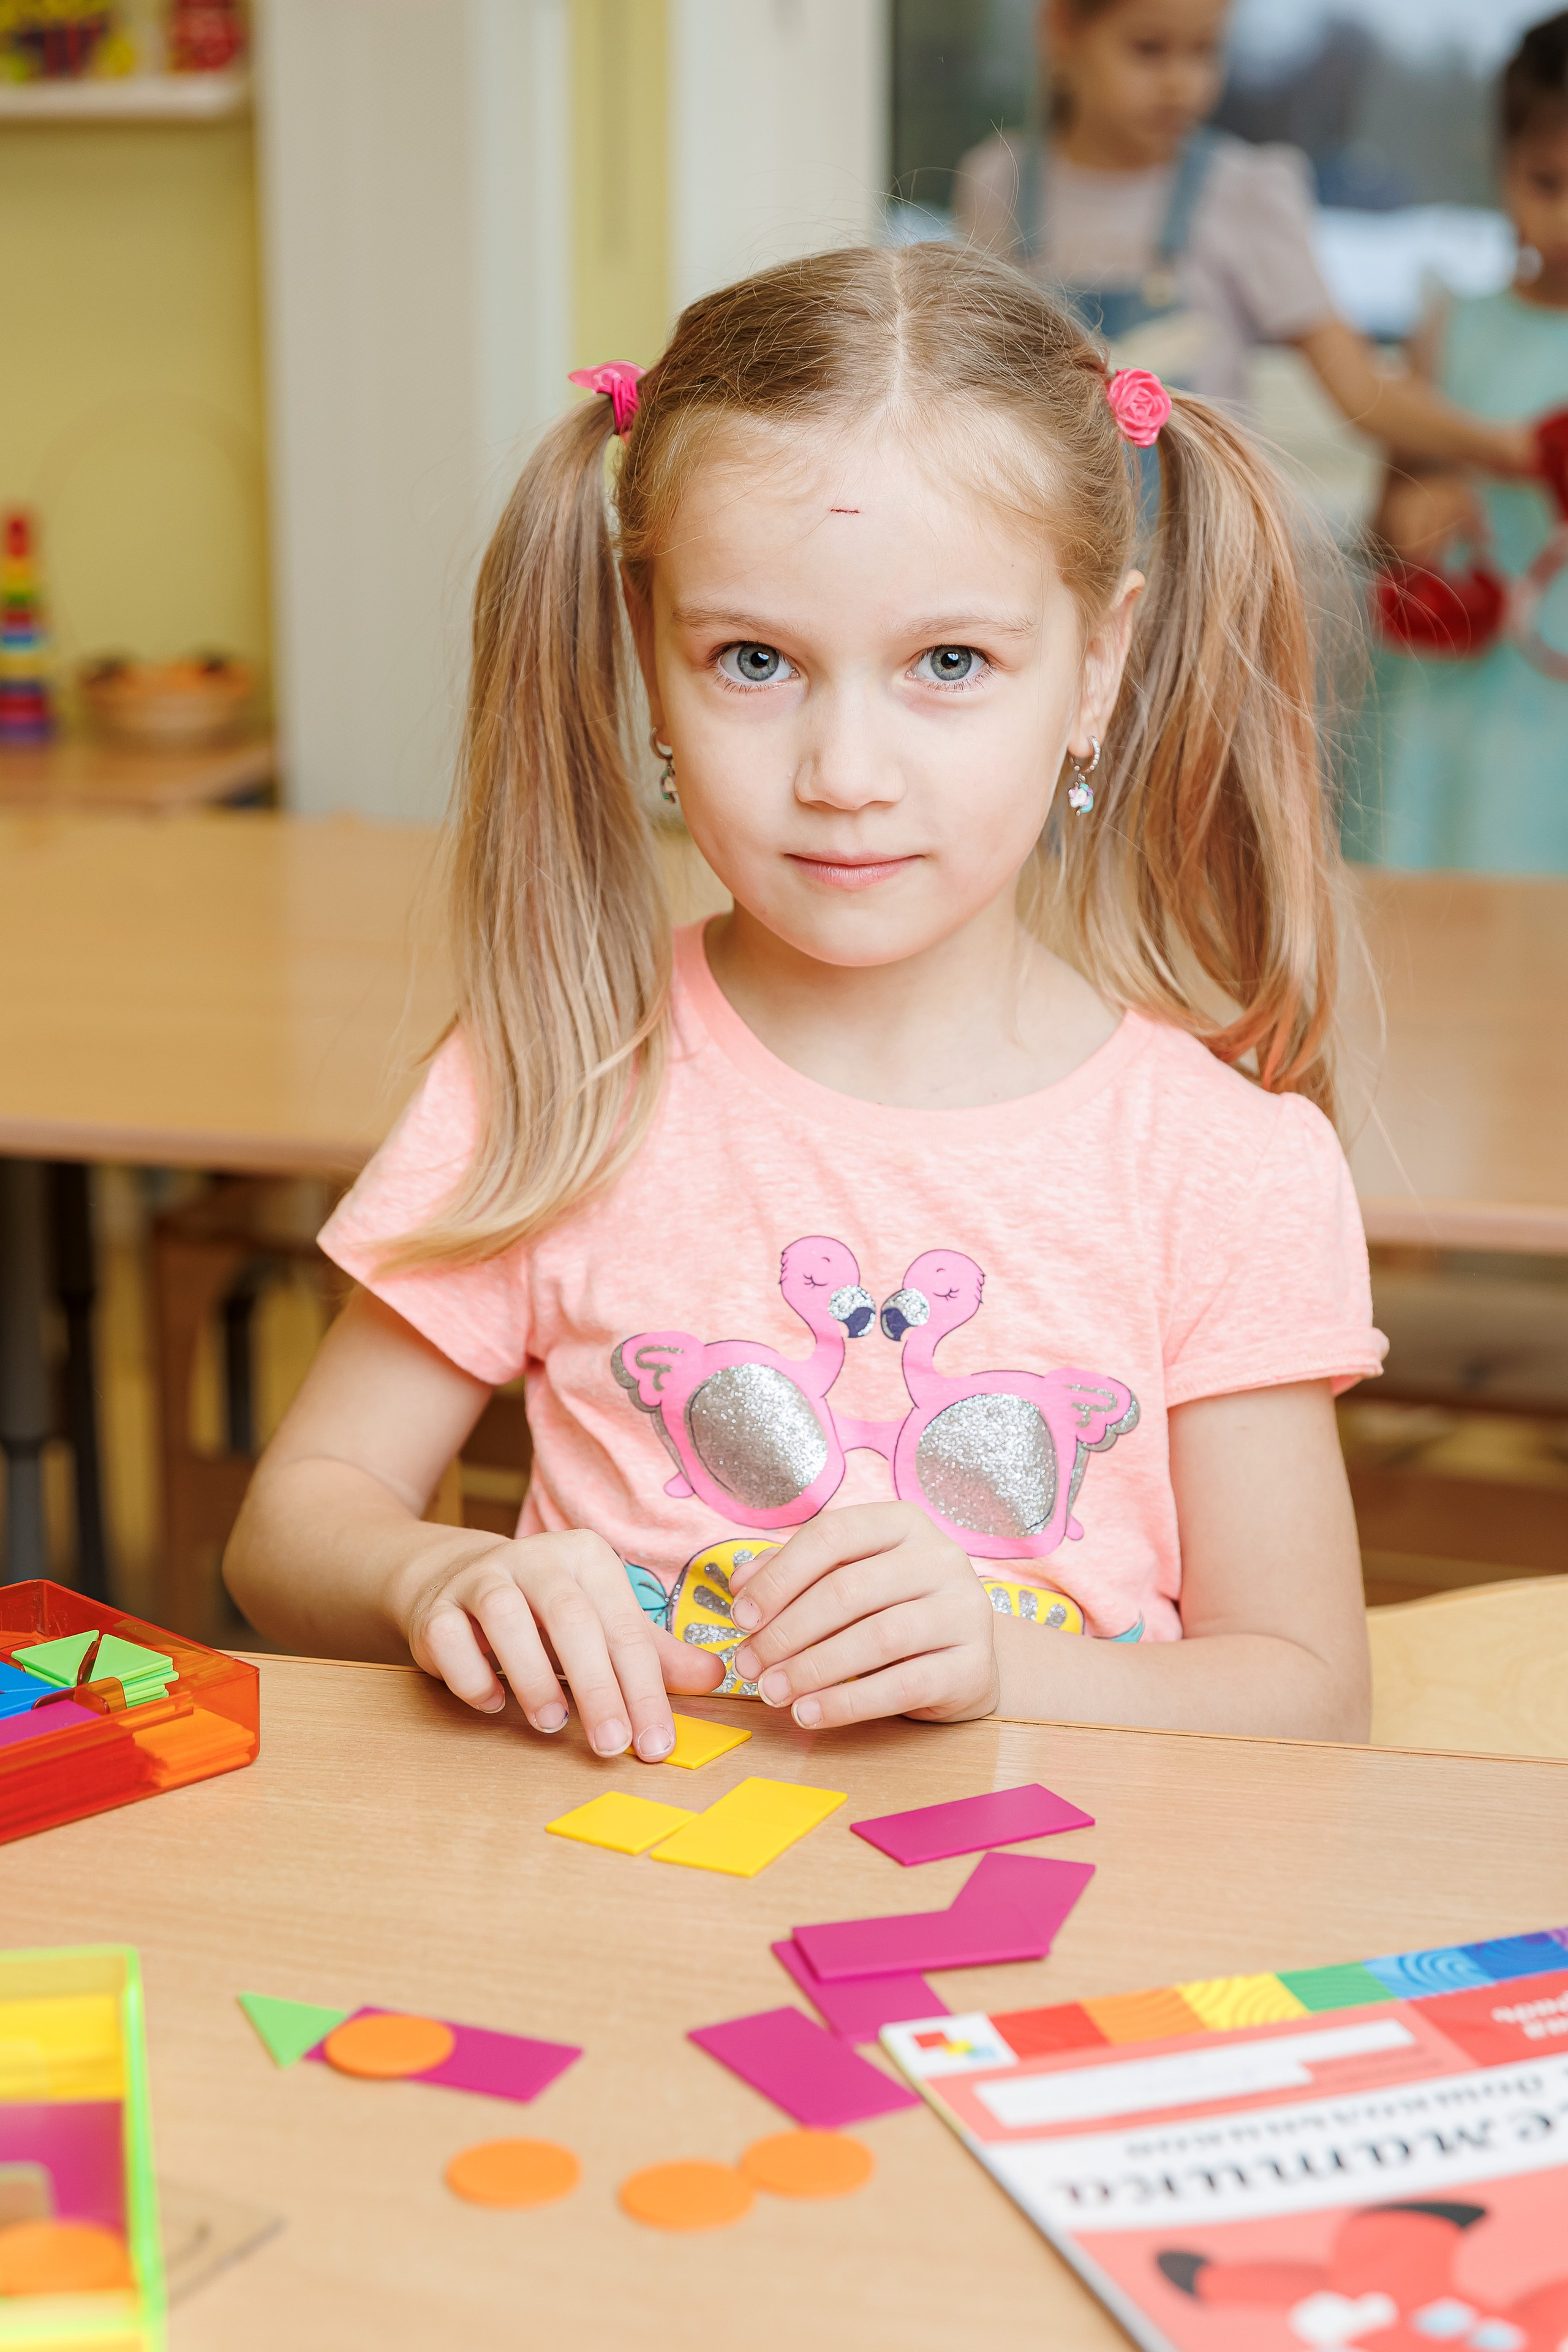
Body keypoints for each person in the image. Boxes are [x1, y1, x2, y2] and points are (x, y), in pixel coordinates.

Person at [224, 244, 1384, 1759]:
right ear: (647, 655)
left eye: (948, 661)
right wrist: (438, 1575)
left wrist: (998, 1667)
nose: (843, 773)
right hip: (610, 1880)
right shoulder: (562, 1073)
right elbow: (291, 1529)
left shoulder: (1222, 1166)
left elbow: (1307, 1695)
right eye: (753, 659)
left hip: (1057, 1898)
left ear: (1096, 666)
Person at [954, 0, 1536, 477]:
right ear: (1061, 28)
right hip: (1054, 544)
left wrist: (1505, 446)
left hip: (1203, 554)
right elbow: (975, 387)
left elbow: (1360, 390)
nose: (1181, 82)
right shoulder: (997, 184)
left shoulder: (1243, 194)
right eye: (1149, 49)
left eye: (1205, 50)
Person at [1354, 13, 1568, 871]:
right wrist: (1415, 514)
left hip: (1553, 722)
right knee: (1436, 915)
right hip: (1449, 704)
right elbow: (1382, 519)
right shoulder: (1453, 328)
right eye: (1547, 182)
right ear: (1502, 168)